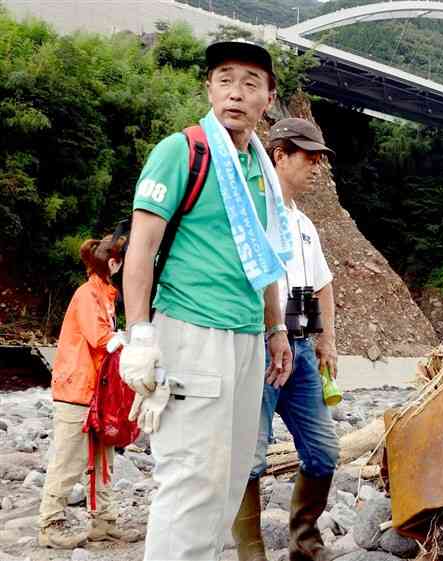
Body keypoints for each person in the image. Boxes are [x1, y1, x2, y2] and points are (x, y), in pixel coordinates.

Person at [120, 40, 294, 560]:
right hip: (192, 332)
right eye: (224, 79)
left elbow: (264, 257)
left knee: (230, 479)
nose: (235, 93)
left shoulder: (261, 167)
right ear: (208, 88)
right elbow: (141, 250)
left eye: (250, 82)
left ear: (269, 97)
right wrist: (140, 336)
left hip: (246, 339)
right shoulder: (182, 151)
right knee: (192, 480)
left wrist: (276, 328)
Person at [232, 118, 340, 561]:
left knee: (323, 452)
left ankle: (305, 544)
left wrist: (327, 339)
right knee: (250, 457)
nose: (317, 168)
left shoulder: (305, 225)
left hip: (300, 349)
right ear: (279, 154)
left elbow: (323, 285)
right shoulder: (252, 209)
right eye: (309, 158)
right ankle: (251, 554)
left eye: (320, 160)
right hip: (257, 346)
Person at [39, 234, 137, 548]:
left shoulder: (103, 293)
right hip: (77, 390)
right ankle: (50, 523)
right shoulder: (88, 294)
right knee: (69, 459)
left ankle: (103, 522)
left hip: (95, 390)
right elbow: (102, 340)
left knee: (103, 458)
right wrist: (139, 341)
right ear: (113, 262)